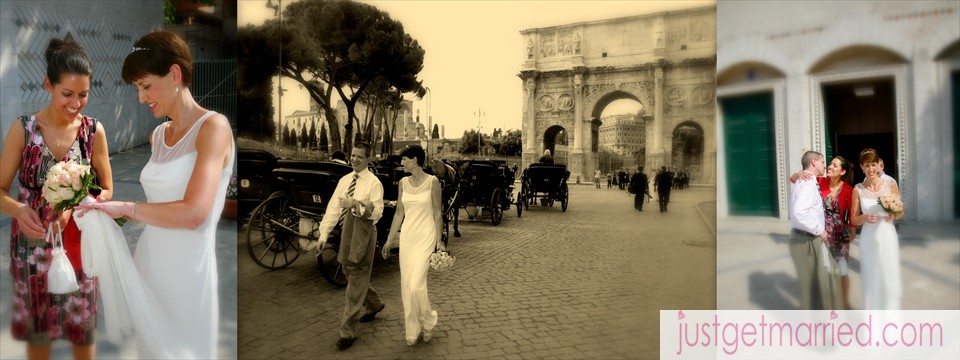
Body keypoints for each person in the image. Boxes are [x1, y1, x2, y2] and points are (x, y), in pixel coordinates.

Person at [75, 31, 234, 358]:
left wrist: (125, 208)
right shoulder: (158, 135)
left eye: (145, 86)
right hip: (149, 263)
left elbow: (194, 214)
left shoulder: (213, 129)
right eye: (136, 88)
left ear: (175, 75)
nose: (140, 98)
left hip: (188, 275)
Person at [0, 35, 113, 360]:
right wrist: (20, 210)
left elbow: (106, 188)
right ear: (48, 84)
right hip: (30, 250)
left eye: (83, 95)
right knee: (39, 336)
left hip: (79, 245)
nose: (76, 103)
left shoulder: (94, 131)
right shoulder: (23, 129)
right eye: (67, 94)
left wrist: (81, 204)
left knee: (82, 329)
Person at [305, 142, 385, 350]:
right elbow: (333, 207)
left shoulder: (374, 183)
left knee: (355, 281)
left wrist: (356, 204)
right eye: (353, 155)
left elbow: (377, 212)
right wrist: (324, 233)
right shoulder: (344, 180)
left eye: (360, 156)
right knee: (352, 274)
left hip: (364, 234)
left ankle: (347, 332)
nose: (355, 159)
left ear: (368, 159)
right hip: (346, 233)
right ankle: (375, 304)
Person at [381, 145, 444, 347]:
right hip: (408, 238)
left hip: (426, 237)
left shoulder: (433, 182)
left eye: (405, 159)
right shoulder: (402, 183)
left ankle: (428, 320)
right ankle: (413, 329)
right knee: (407, 286)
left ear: (415, 160)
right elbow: (399, 213)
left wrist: (439, 241)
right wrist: (390, 240)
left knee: (417, 285)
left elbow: (437, 214)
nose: (402, 163)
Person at [791, 156, 857, 309]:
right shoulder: (819, 181)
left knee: (842, 270)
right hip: (819, 234)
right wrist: (798, 173)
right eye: (829, 164)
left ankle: (844, 303)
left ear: (843, 171)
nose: (829, 167)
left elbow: (852, 215)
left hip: (839, 235)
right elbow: (793, 180)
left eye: (834, 165)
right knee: (824, 271)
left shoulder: (848, 189)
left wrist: (851, 233)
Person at [850, 148, 903, 310]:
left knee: (889, 278)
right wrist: (864, 218)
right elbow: (853, 219)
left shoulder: (890, 184)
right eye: (867, 165)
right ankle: (872, 326)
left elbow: (901, 212)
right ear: (861, 167)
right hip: (868, 237)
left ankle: (891, 326)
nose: (871, 169)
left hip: (887, 235)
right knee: (871, 278)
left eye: (873, 164)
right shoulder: (857, 189)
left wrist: (894, 215)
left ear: (878, 165)